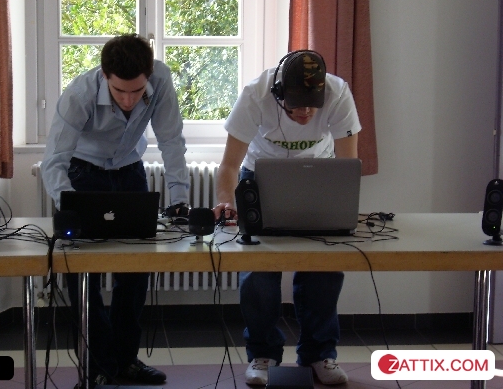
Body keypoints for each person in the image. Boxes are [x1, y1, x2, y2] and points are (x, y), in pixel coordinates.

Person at [40, 34, 190, 388]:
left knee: (136, 271)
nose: (128, 100)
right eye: (119, 91)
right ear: (105, 75)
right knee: (82, 275)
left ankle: (125, 362)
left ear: (148, 76)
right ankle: (96, 367)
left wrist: (180, 199)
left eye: (137, 92)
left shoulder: (161, 80)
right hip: (83, 174)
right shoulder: (79, 94)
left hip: (129, 171)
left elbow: (171, 141)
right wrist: (67, 205)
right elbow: (54, 161)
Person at [213, 50, 361, 386]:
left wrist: (344, 209)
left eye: (312, 105)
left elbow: (347, 166)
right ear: (279, 93)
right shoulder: (255, 94)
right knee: (258, 272)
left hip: (320, 174)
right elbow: (229, 165)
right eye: (297, 105)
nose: (306, 112)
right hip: (260, 176)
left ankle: (319, 354)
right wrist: (226, 203)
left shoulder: (338, 93)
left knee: (324, 267)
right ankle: (263, 354)